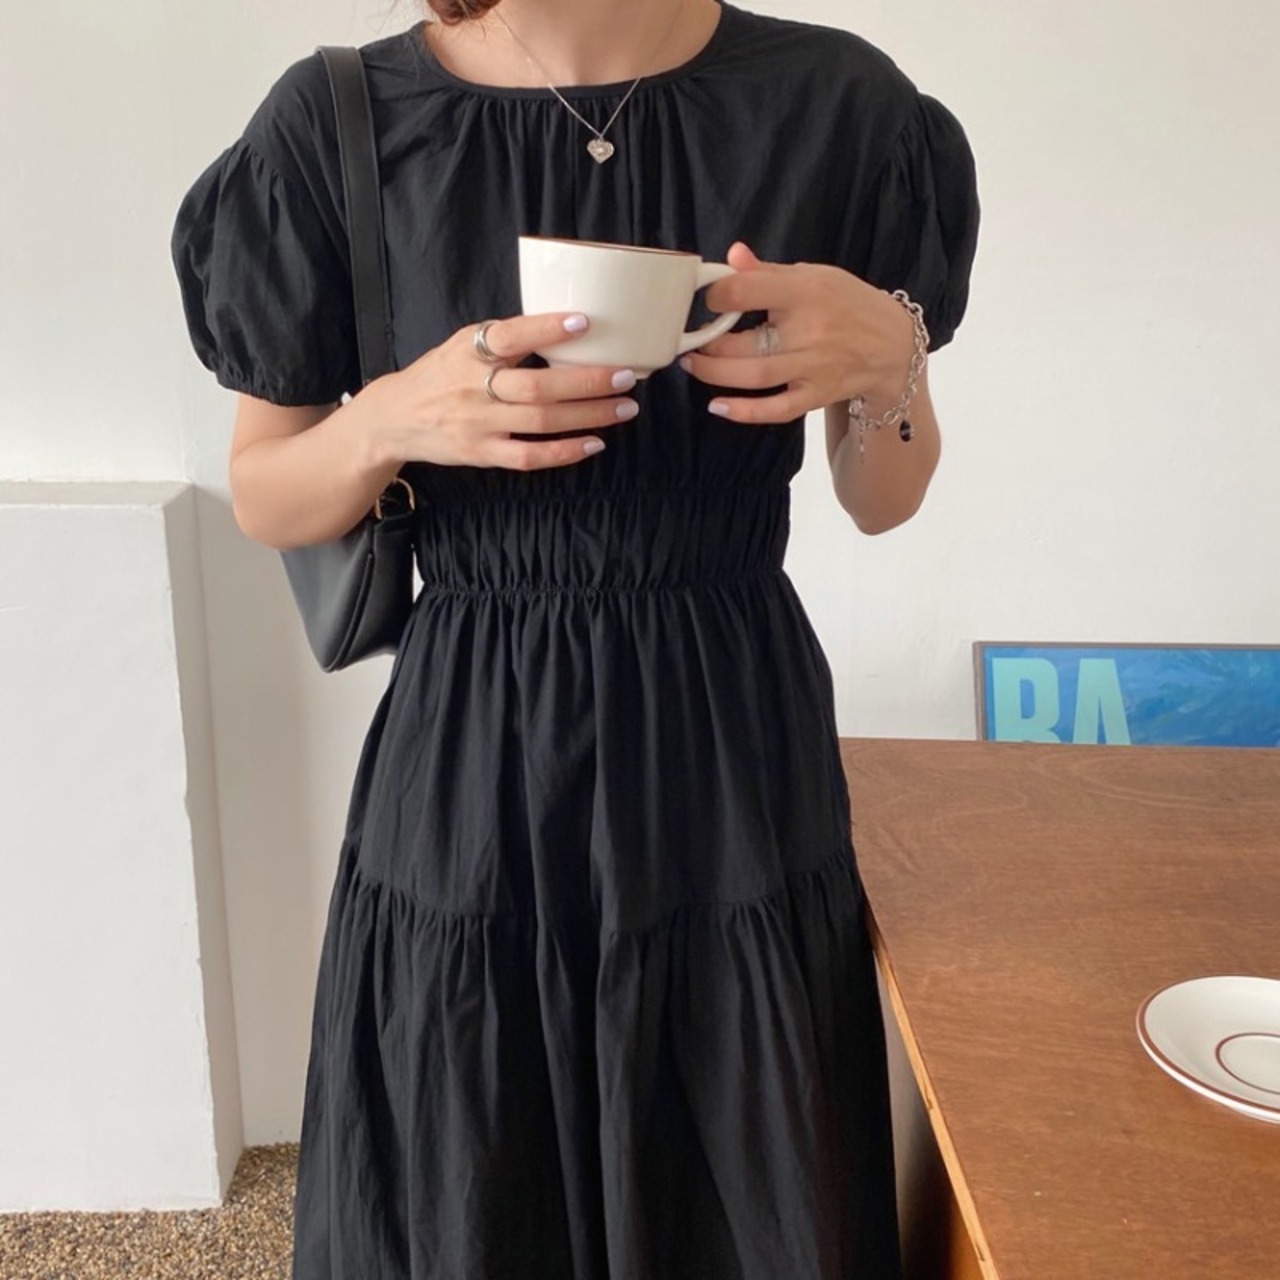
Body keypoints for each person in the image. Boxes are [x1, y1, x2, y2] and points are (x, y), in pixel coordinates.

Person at [171, 0, 978, 1275]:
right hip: (475, 742)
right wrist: (394, 417)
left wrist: (893, 368)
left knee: (740, 1168)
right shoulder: (341, 123)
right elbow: (267, 492)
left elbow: (880, 498)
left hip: (729, 734)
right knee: (469, 1170)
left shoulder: (838, 105)